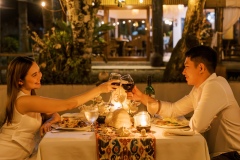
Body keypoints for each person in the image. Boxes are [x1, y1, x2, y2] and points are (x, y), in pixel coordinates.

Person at [127, 45, 240, 160]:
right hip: (217, 154)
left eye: (186, 67)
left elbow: (196, 126)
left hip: (232, 155)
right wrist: (141, 97)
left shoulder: (215, 86)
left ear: (201, 68)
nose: (183, 72)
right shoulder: (199, 89)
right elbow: (173, 109)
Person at [0, 56, 119, 159]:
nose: (40, 76)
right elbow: (68, 104)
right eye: (34, 75)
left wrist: (49, 121)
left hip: (23, 153)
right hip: (7, 152)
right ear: (20, 81)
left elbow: (54, 114)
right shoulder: (24, 101)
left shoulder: (30, 98)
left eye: (39, 72)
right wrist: (100, 89)